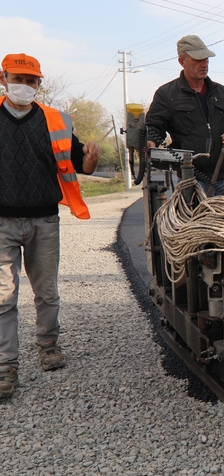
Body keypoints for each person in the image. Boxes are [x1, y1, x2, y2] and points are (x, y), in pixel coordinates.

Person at [0, 53, 101, 398]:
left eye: (31, 81)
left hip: (44, 220)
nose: (24, 86)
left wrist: (91, 159)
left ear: (39, 84)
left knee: (47, 292)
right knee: (3, 297)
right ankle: (6, 366)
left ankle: (48, 345)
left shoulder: (55, 121)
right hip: (1, 223)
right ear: (3, 78)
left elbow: (81, 164)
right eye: (18, 79)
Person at [145, 35, 224, 194]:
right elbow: (153, 128)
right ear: (181, 61)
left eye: (206, 59)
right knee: (192, 212)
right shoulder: (166, 94)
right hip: (190, 180)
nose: (204, 64)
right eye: (197, 60)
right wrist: (150, 142)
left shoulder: (222, 92)